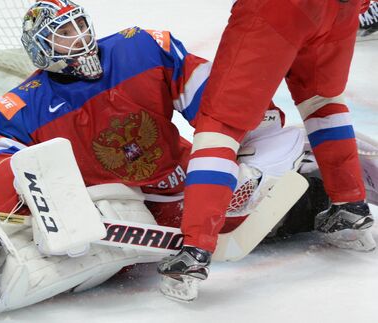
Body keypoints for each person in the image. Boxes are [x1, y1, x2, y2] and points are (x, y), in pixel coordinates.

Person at [0, 0, 378, 321]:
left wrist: (248, 141)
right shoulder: (16, 108)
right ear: (40, 48)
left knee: (282, 141)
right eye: (63, 33)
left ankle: (259, 182)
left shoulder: (140, 49)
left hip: (197, 191)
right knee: (83, 254)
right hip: (125, 210)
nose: (78, 37)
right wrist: (46, 200)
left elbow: (220, 104)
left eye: (79, 25)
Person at [157, 0, 375, 302]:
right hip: (340, 9)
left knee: (221, 123)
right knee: (322, 101)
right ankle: (351, 205)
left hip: (280, 8)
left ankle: (194, 249)